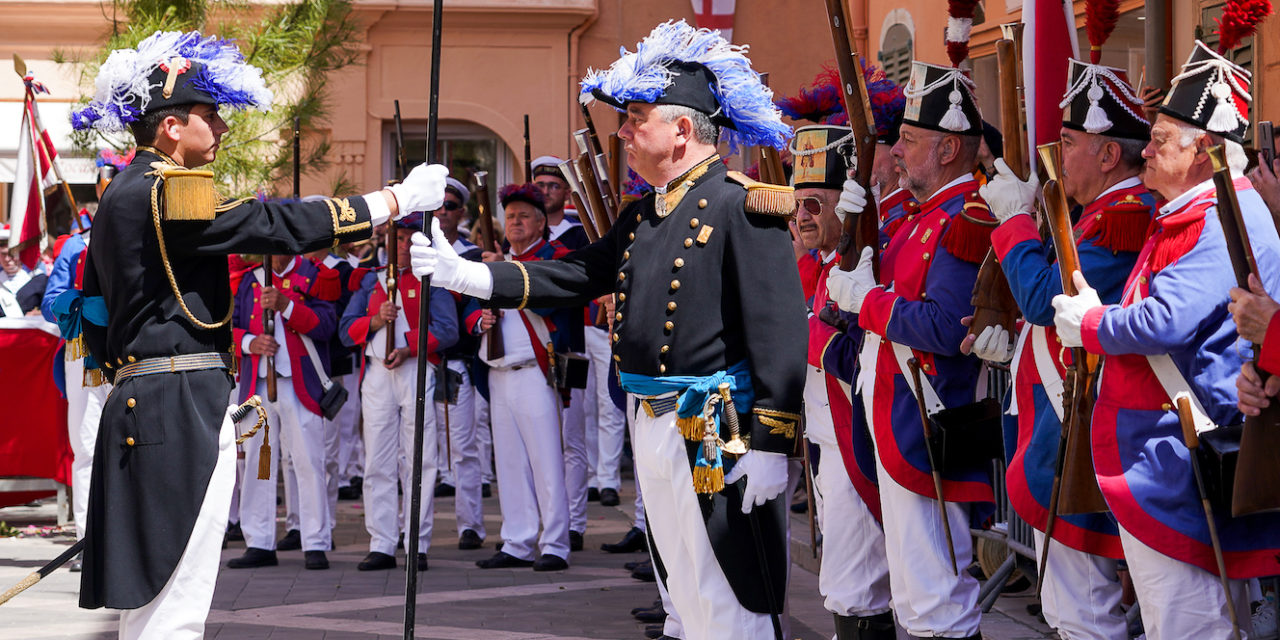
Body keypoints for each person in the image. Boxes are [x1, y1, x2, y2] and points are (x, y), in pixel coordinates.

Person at [411, 20, 804, 638]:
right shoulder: (645, 212)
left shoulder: (740, 205)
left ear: (680, 129)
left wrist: (771, 445)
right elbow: (575, 277)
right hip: (653, 417)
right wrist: (466, 276)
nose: (622, 131)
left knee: (725, 589)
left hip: (713, 426)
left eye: (635, 116)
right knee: (680, 581)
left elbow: (779, 334)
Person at [71, 31, 446, 637]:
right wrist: (392, 200)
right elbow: (268, 224)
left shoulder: (126, 190)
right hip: (176, 407)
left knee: (157, 601)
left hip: (159, 397)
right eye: (209, 114)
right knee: (177, 603)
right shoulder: (166, 188)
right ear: (171, 126)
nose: (220, 128)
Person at [1052, 39, 1280, 638]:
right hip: (1161, 456)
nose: (1145, 149)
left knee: (1192, 625)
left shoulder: (1225, 213)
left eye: (1160, 139)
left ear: (1202, 150)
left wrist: (1091, 324)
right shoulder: (1192, 209)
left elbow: (1165, 319)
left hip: (1178, 460)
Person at [975, 51, 1154, 640]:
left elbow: (1048, 299)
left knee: (1084, 611)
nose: (1059, 153)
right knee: (1072, 607)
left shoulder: (1122, 218)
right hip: (1060, 423)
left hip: (1083, 432)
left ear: (1108, 154)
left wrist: (1015, 224)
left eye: (1070, 140)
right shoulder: (1094, 215)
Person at [826, 54, 995, 638]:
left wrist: (866, 301)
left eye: (910, 138)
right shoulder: (919, 218)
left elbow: (948, 327)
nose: (896, 150)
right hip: (896, 420)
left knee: (935, 600)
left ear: (948, 149)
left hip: (925, 421)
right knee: (914, 596)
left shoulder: (965, 217)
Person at [340, 212, 458, 571]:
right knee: (376, 460)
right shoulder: (370, 282)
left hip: (416, 370)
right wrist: (376, 320)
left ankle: (416, 542)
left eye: (409, 238)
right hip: (377, 375)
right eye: (399, 239)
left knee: (419, 457)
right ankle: (382, 542)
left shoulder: (431, 280)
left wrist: (408, 346)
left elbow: (449, 330)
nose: (403, 245)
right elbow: (347, 332)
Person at [470, 183, 577, 571]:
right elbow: (469, 307)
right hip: (498, 371)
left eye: (524, 216)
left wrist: (505, 272)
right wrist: (478, 319)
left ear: (539, 223)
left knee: (547, 461)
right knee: (510, 463)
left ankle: (555, 544)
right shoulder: (490, 262)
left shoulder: (552, 258)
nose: (515, 222)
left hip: (536, 372)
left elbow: (552, 301)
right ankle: (516, 540)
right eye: (510, 216)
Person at [430, 177, 488, 550]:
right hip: (417, 363)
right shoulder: (415, 250)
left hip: (455, 361)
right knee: (422, 451)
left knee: (463, 448)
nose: (442, 212)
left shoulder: (473, 256)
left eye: (449, 206)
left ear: (461, 212)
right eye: (436, 205)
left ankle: (471, 524)